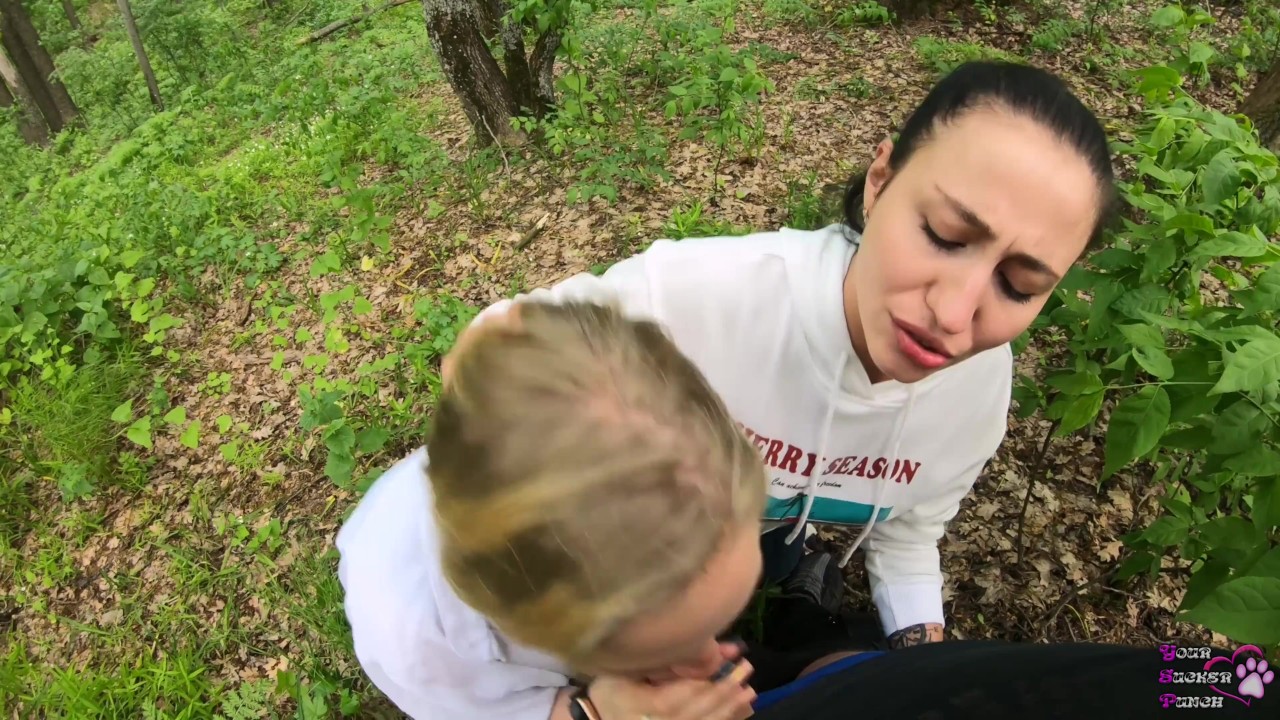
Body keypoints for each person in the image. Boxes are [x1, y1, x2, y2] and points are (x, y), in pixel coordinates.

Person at [450, 59, 1119, 650]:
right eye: (944, 235)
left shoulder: (976, 393)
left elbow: (910, 534)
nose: (953, 314)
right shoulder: (705, 299)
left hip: (756, 548)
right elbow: (491, 349)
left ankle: (790, 588)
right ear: (880, 181)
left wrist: (924, 664)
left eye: (1018, 285)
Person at [338, 300, 771, 719]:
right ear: (522, 627)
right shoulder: (417, 644)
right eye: (655, 654)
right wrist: (596, 711)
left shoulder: (672, 431)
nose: (710, 661)